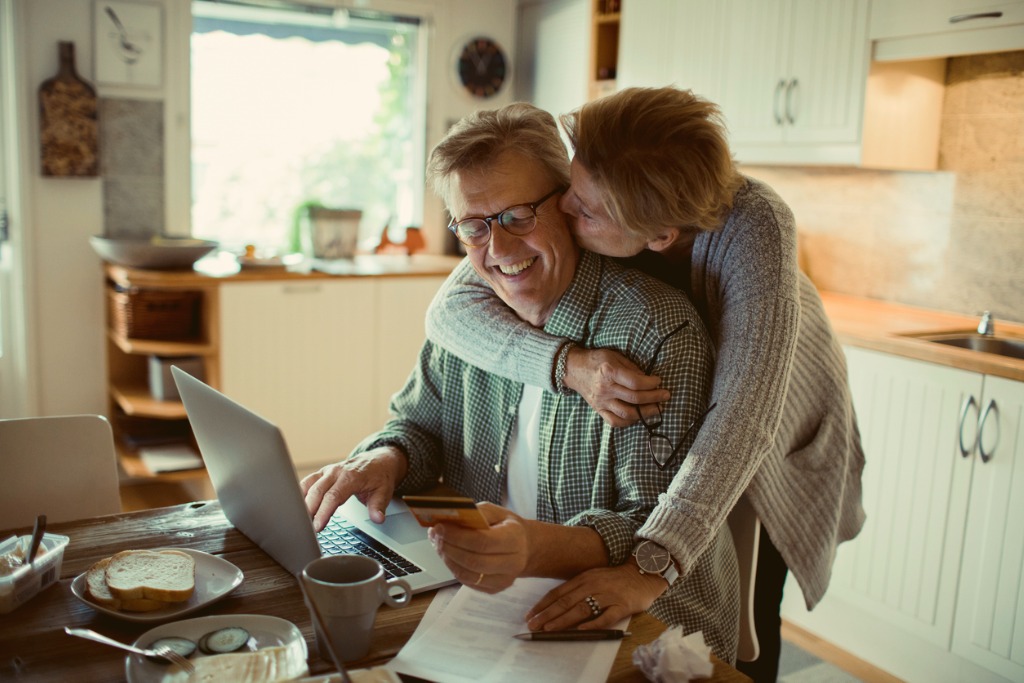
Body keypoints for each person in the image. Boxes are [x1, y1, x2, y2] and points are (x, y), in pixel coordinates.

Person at [424, 87, 866, 682]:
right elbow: (448, 310)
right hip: (720, 416)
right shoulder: (616, 189)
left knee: (748, 619)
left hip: (780, 439)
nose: (563, 213)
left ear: (657, 237)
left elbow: (744, 419)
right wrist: (570, 365)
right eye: (564, 195)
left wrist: (648, 571)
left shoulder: (752, 230)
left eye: (579, 210)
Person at [301, 102, 740, 663]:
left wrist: (531, 549)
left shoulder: (655, 330)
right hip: (484, 601)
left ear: (569, 202)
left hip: (641, 626)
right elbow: (416, 424)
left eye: (516, 216)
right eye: (474, 226)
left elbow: (656, 528)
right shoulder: (469, 312)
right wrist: (383, 460)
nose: (498, 251)